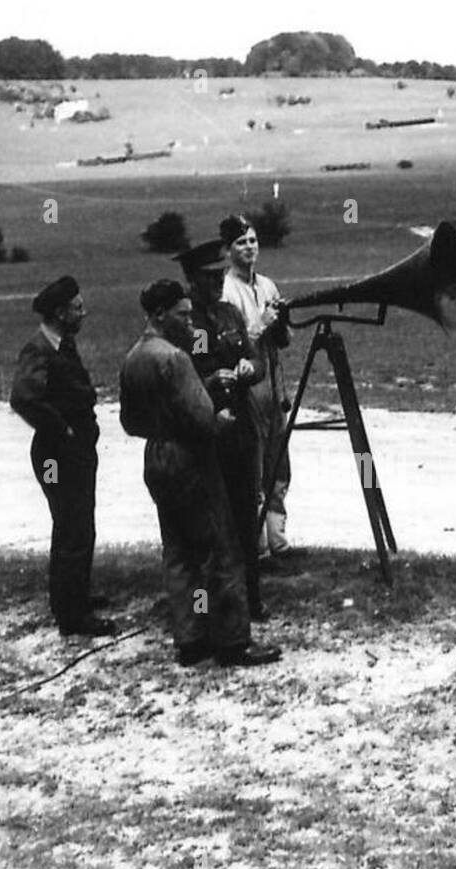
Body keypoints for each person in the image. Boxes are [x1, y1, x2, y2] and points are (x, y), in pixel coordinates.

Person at [119, 278, 281, 668]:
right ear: (160, 314)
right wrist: (222, 416)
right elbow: (206, 421)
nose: (190, 323)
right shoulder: (175, 358)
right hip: (190, 461)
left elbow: (129, 421)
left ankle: (191, 638)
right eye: (182, 315)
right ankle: (232, 641)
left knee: (178, 552)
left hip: (156, 457)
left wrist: (202, 387)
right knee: (220, 550)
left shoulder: (134, 357)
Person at [9, 275, 116, 638]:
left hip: (73, 452)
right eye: (76, 308)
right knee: (72, 527)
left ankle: (73, 596)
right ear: (59, 313)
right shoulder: (39, 349)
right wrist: (64, 431)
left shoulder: (62, 344)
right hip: (58, 456)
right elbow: (23, 398)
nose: (83, 313)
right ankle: (73, 617)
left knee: (76, 524)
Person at [176, 239, 271, 620]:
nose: (217, 283)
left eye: (219, 276)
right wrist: (213, 377)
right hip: (209, 429)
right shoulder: (189, 322)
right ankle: (213, 605)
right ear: (192, 279)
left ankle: (251, 598)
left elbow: (255, 357)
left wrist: (250, 367)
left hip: (240, 429)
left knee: (246, 516)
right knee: (214, 526)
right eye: (208, 277)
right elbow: (191, 371)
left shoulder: (230, 314)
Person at [218, 214, 294, 562]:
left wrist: (280, 324)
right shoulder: (226, 292)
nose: (249, 247)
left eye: (252, 240)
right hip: (249, 384)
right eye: (240, 242)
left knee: (279, 462)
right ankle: (257, 546)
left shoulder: (267, 285)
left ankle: (278, 539)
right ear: (228, 250)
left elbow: (286, 341)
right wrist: (260, 325)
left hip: (273, 381)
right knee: (255, 465)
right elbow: (231, 346)